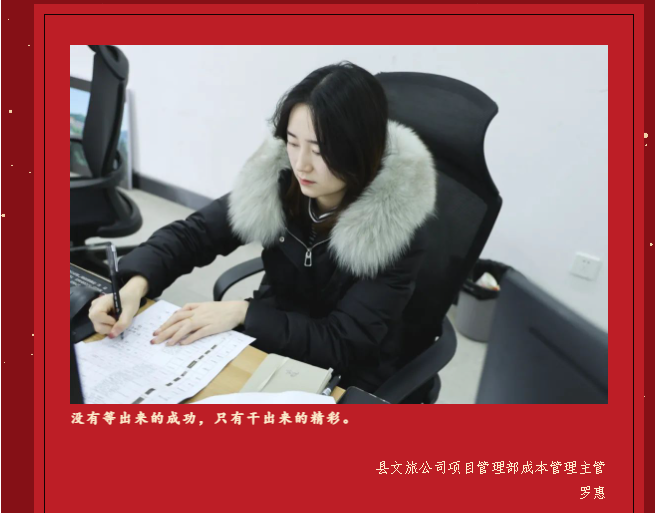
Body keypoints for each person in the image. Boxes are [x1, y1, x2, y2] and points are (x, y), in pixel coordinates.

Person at [88, 61, 437, 400]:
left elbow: (343, 342)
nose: (301, 164)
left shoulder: (395, 230)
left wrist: (243, 313)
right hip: (271, 337)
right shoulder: (279, 181)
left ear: (360, 150)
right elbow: (193, 234)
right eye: (293, 142)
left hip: (348, 373)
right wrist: (135, 284)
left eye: (319, 150)